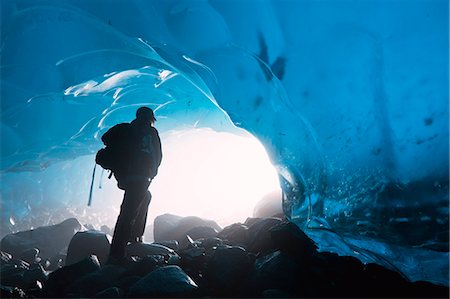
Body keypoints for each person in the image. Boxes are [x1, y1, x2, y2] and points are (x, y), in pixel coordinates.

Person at [102, 107, 162, 262]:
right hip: (141, 177)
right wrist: (152, 172)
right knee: (128, 212)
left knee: (142, 199)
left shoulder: (126, 129)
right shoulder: (150, 133)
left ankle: (133, 237)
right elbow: (158, 155)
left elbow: (105, 138)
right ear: (151, 118)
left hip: (126, 176)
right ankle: (117, 253)